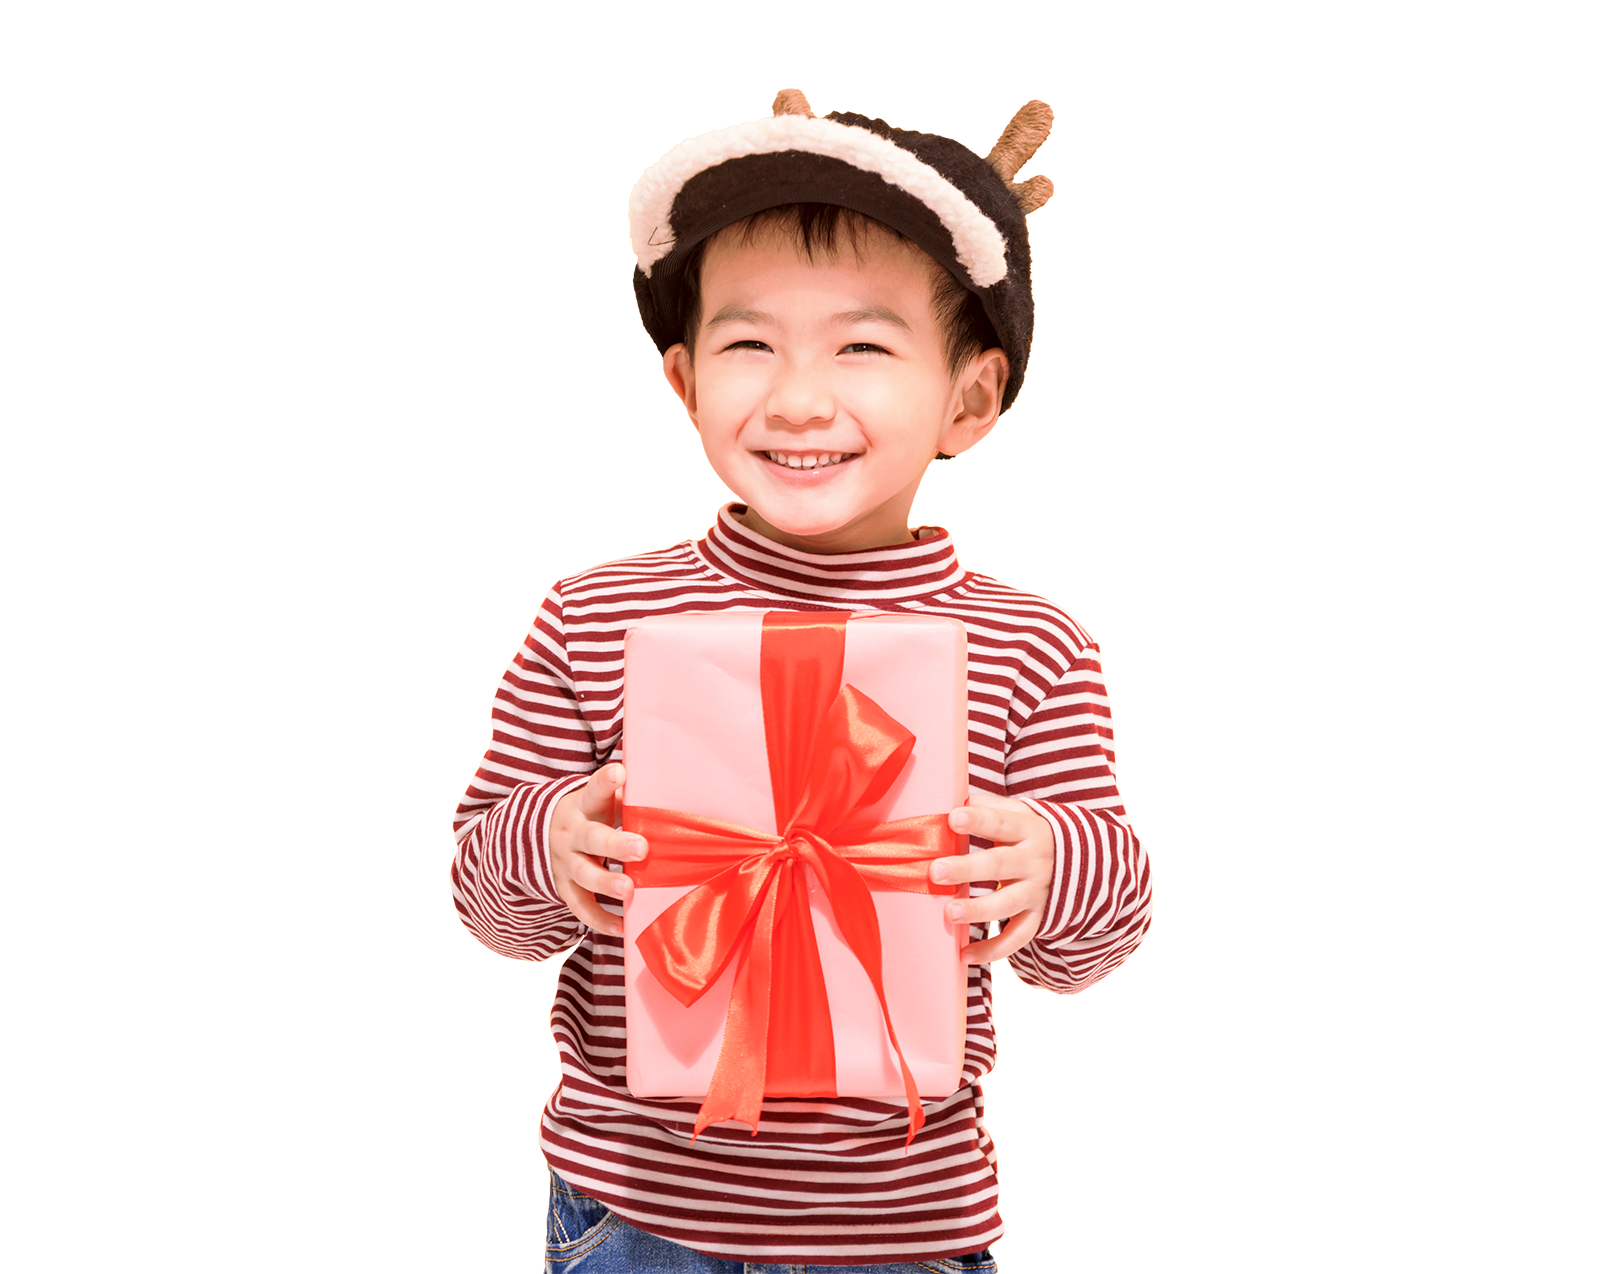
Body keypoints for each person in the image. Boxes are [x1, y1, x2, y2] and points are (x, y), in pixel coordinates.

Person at [451, 91, 1152, 1272]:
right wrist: (550, 843)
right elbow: (488, 906)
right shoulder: (593, 619)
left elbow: (1090, 944)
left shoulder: (1029, 644)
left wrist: (1048, 862)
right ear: (680, 387)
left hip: (904, 1230)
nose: (796, 397)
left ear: (970, 400)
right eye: (747, 342)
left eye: (862, 344)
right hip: (635, 1218)